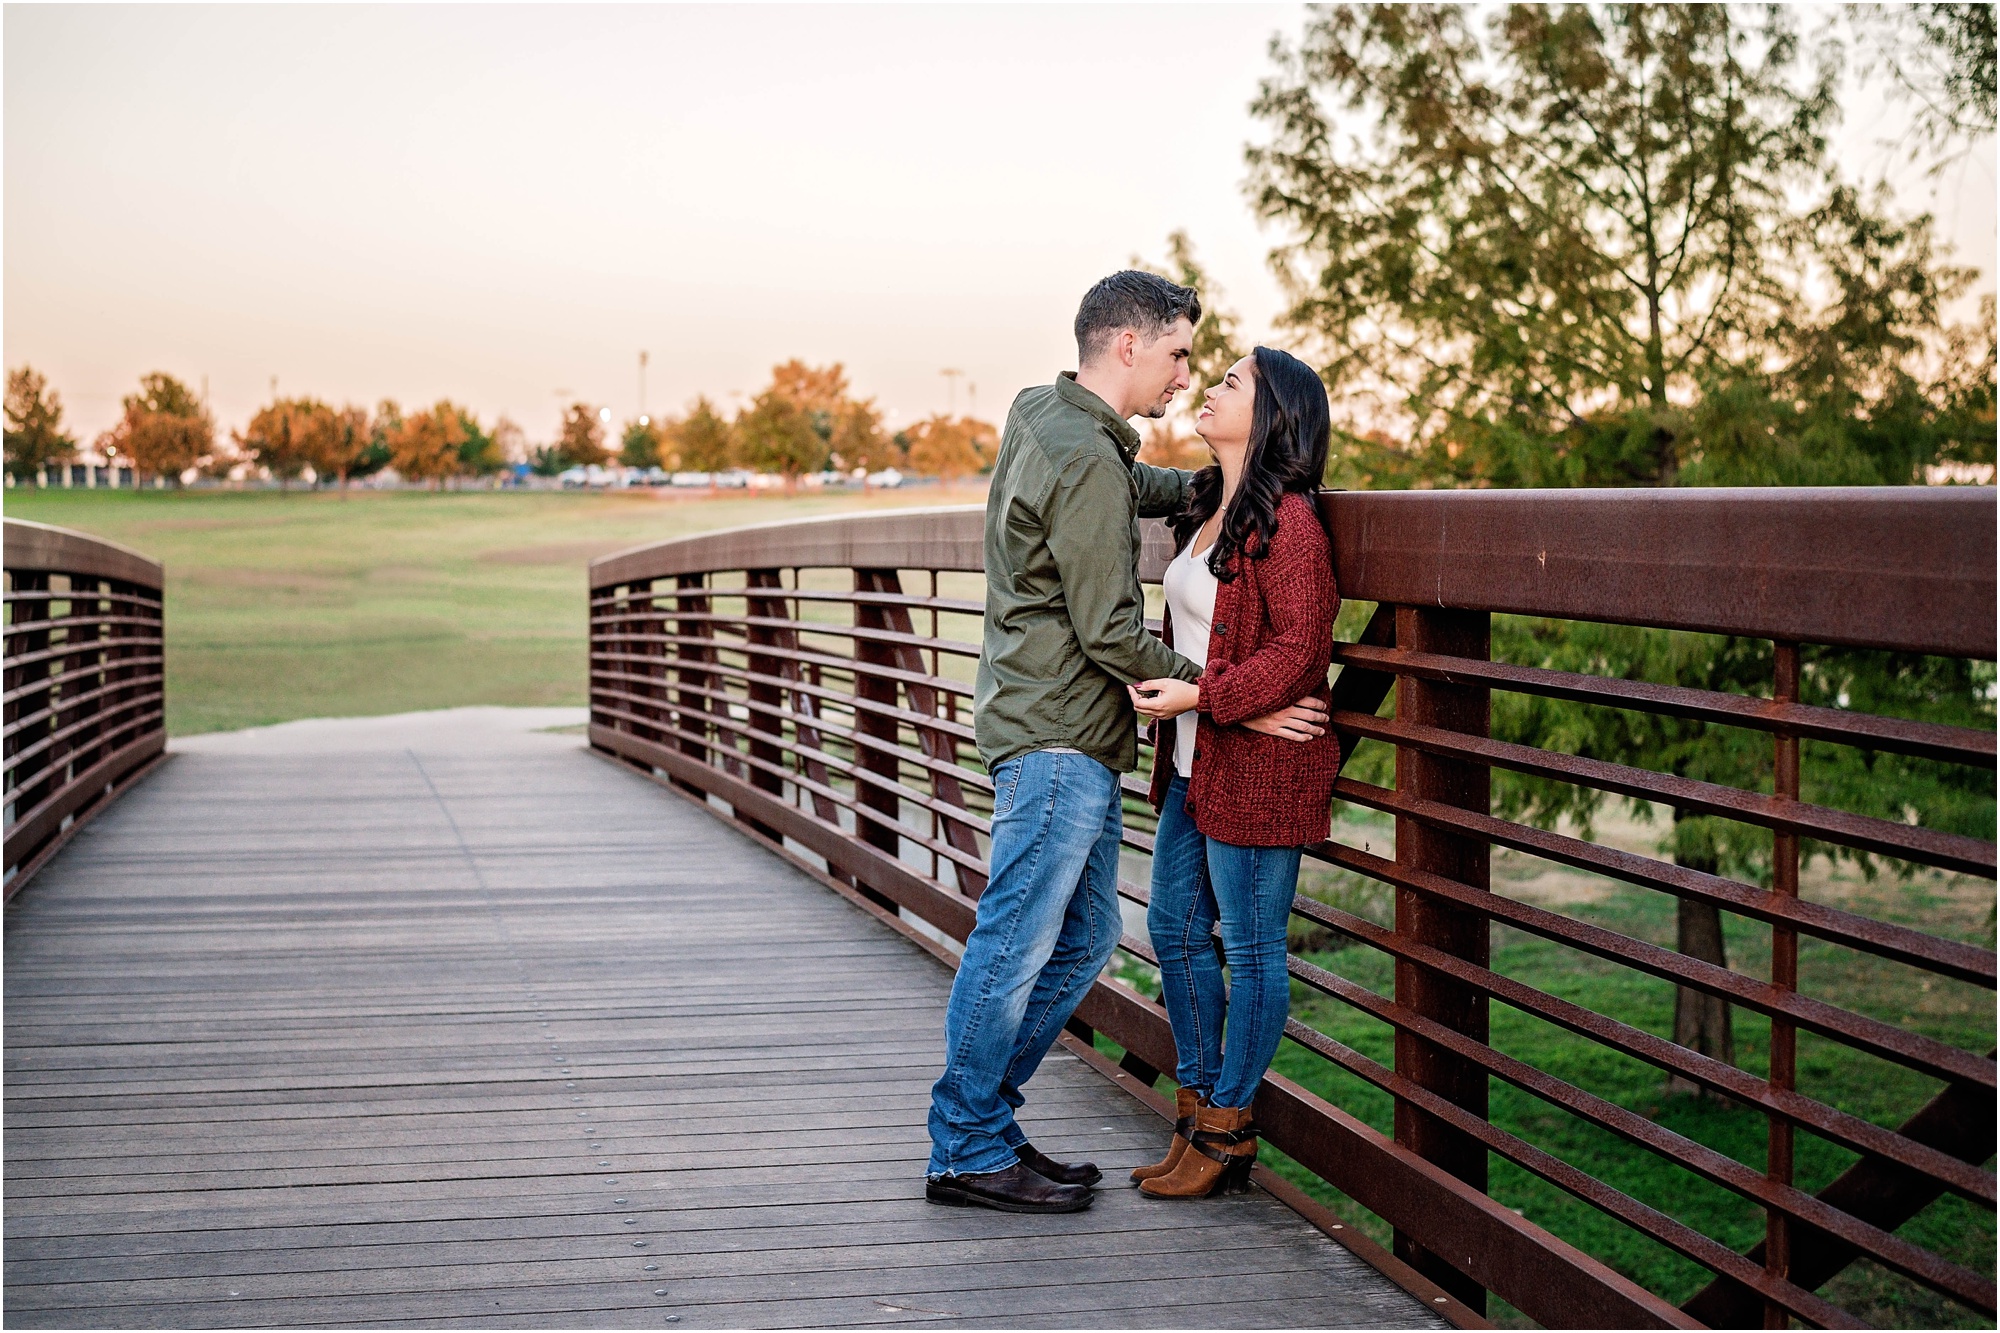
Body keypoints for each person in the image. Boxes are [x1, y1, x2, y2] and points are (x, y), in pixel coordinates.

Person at [925, 274, 1325, 1214]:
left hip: (1066, 731)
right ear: (1131, 348)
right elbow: (1111, 631)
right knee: (1019, 941)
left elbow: (1121, 484)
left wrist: (1221, 482)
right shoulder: (1085, 460)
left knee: (1090, 935)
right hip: (1060, 733)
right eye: (1183, 352)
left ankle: (981, 1121)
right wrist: (1225, 698)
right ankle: (967, 1142)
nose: (1189, 373)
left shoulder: (1047, 416)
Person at [1126, 345, 1340, 1199]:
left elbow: (1301, 647)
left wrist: (1202, 696)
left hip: (1260, 772)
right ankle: (1198, 1110)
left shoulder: (1289, 522)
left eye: (1230, 383)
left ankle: (1226, 1130)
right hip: (1197, 759)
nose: (1209, 389)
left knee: (1249, 951)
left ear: (1276, 411)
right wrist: (1221, 702)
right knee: (1173, 932)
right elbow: (1206, 644)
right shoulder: (1211, 502)